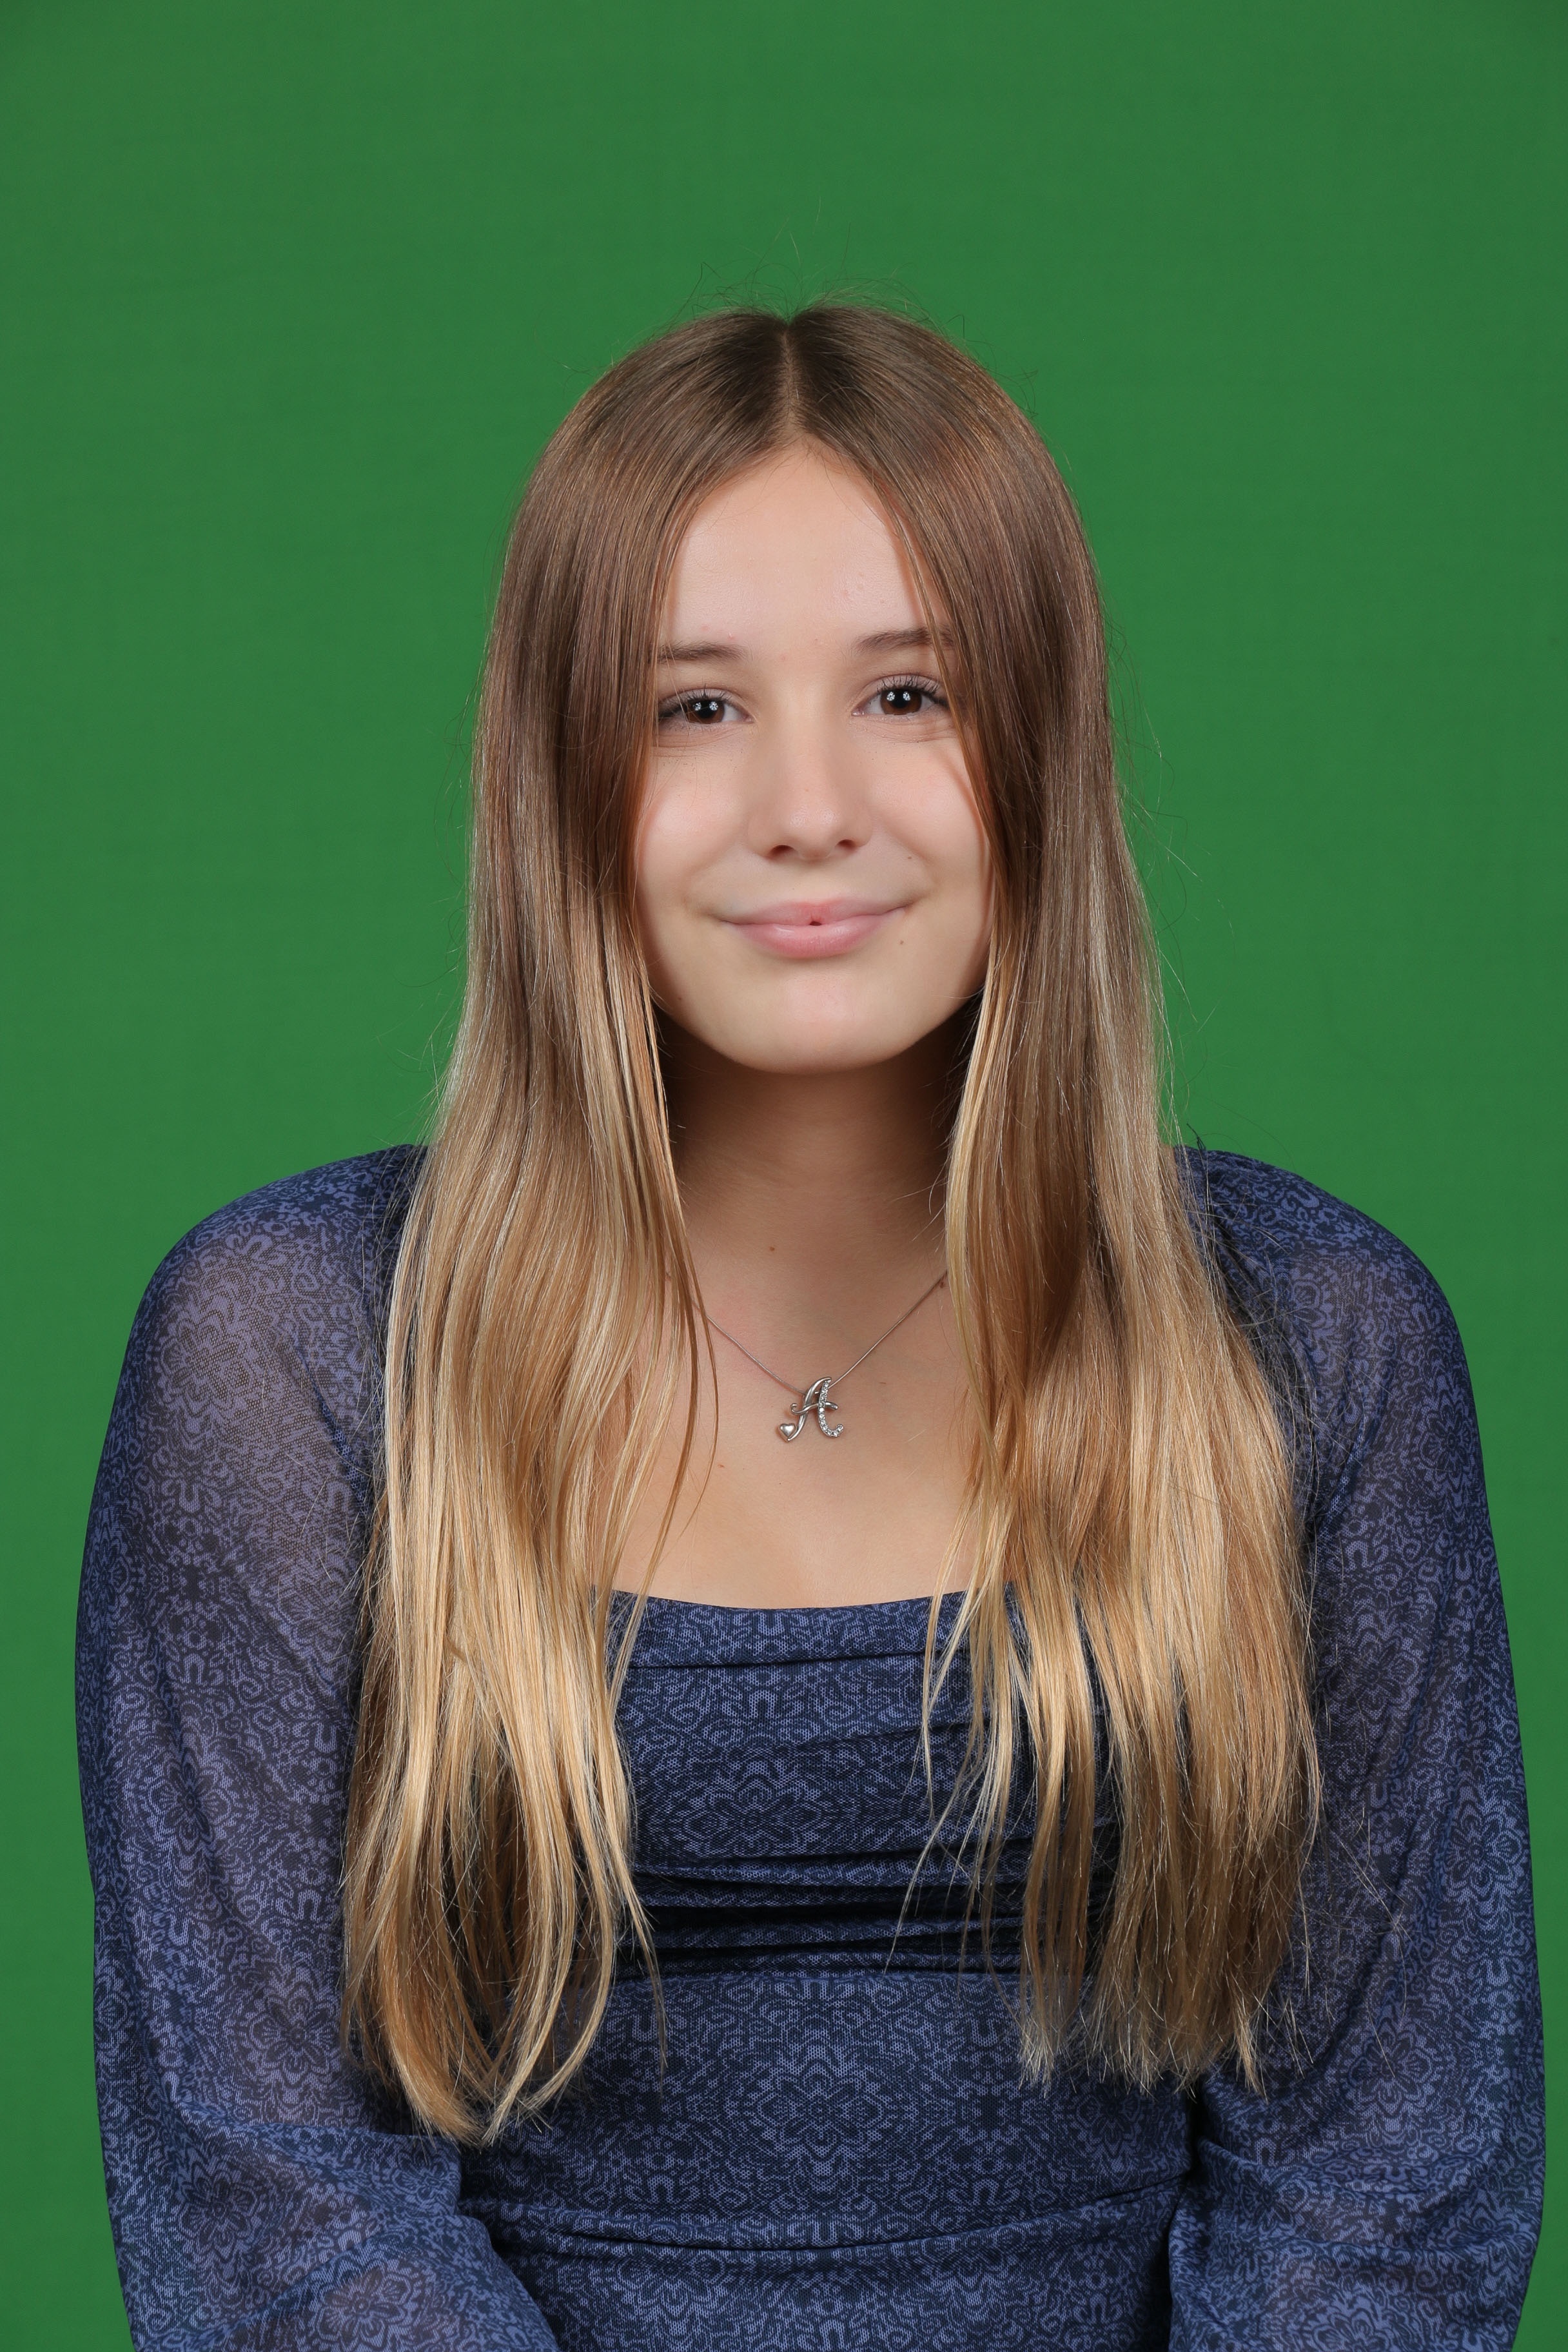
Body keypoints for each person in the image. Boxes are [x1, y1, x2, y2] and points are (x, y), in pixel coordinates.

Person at [77, 304, 1542, 2350]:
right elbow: (271, 2213)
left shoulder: (1318, 1348)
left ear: (1043, 750)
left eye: (909, 693)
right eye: (694, 708)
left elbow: (1387, 2208)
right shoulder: (288, 1359)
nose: (808, 806)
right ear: (558, 780)